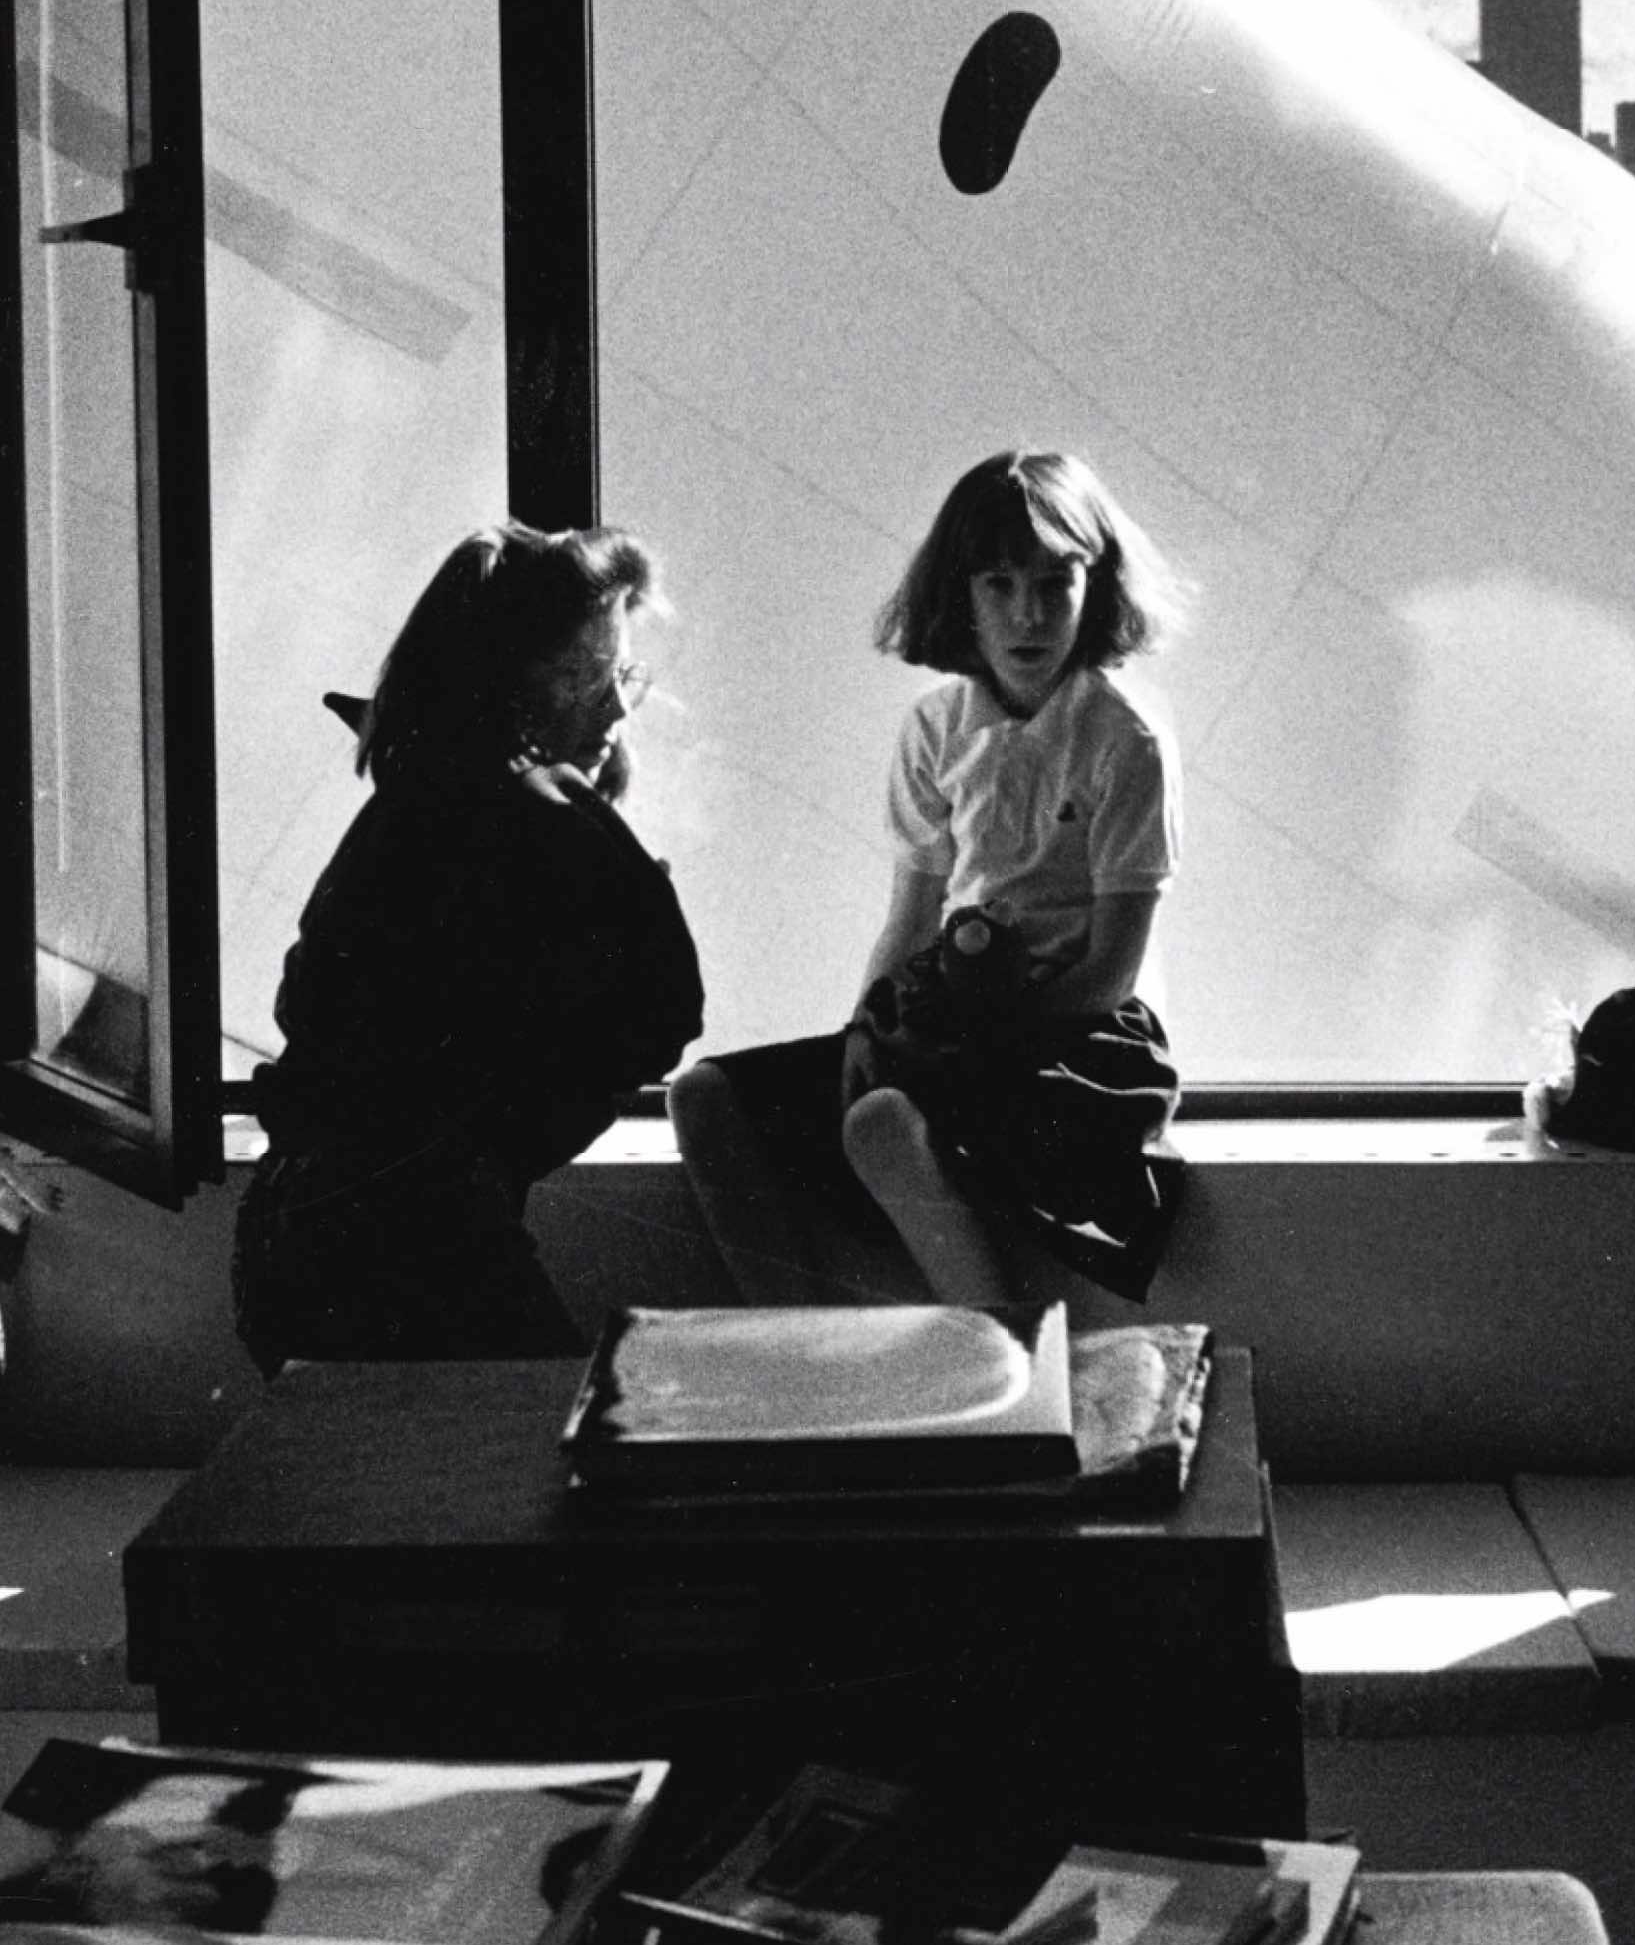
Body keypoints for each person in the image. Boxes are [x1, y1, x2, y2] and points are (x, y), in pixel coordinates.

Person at [672, 449, 1188, 1307]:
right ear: (961, 593)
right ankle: (799, 1347)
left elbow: (1110, 972)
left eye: (1055, 583)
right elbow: (911, 918)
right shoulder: (936, 727)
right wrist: (867, 1031)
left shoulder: (1122, 738)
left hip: (1081, 1038)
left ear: (1095, 586)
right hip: (953, 1012)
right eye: (998, 584)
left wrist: (956, 1040)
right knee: (706, 1097)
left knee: (881, 1122)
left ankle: (1004, 1350)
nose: (1028, 615)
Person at [231, 523, 703, 1371]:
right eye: (581, 676)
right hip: (405, 1247)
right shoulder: (528, 808)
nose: (617, 709)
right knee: (547, 1440)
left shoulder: (413, 813)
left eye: (620, 676)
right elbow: (669, 1003)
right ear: (502, 683)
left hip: (299, 1239)